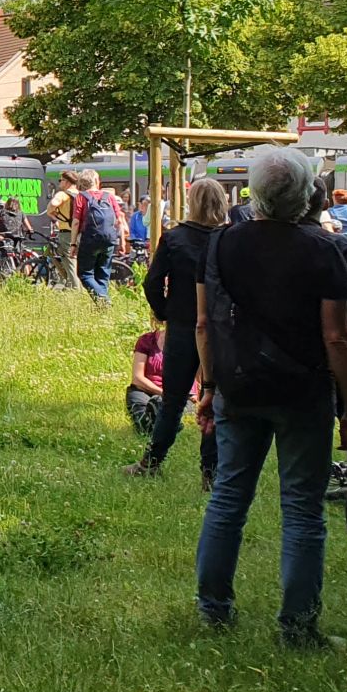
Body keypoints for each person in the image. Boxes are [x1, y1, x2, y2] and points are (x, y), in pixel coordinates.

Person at [195, 147, 347, 648]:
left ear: (256, 192)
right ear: (308, 192)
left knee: (228, 497)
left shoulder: (223, 242)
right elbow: (339, 337)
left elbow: (206, 322)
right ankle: (297, 627)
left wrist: (207, 386)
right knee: (302, 509)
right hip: (302, 391)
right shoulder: (325, 248)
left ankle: (213, 609)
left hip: (239, 384)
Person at [128, 177, 226, 484]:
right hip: (221, 327)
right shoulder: (229, 238)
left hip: (183, 326)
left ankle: (152, 462)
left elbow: (151, 282)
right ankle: (211, 472)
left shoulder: (174, 238)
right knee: (216, 397)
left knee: (173, 399)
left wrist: (164, 311)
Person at [73, 169, 127, 302]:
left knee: (85, 274)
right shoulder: (109, 196)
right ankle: (102, 307)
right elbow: (119, 220)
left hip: (90, 240)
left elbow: (75, 222)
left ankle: (103, 300)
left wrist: (73, 243)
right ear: (97, 181)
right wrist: (122, 242)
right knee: (103, 274)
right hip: (109, 240)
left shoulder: (81, 197)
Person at [124, 324, 167, 438]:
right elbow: (137, 378)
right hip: (143, 390)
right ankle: (148, 422)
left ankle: (161, 421)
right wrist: (163, 393)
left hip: (176, 395)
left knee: (174, 411)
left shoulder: (191, 343)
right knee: (141, 412)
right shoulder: (147, 340)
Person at [46, 171, 82, 290]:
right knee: (77, 263)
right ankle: (72, 283)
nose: (60, 183)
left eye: (60, 180)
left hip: (67, 233)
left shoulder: (62, 194)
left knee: (70, 263)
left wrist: (51, 212)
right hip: (81, 233)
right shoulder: (81, 195)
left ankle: (76, 291)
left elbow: (53, 204)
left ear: (66, 182)